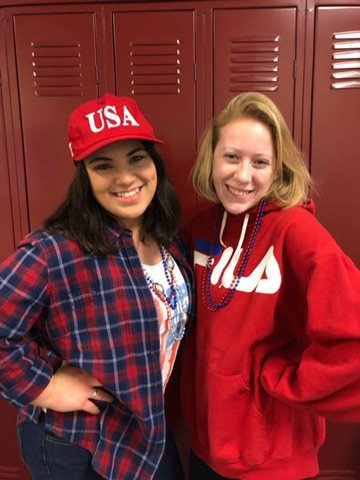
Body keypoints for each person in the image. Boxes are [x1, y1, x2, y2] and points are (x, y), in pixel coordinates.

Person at [0, 94, 194, 480]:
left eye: (136, 158)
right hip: (74, 440)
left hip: (143, 426)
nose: (125, 178)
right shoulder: (52, 251)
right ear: (85, 177)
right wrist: (47, 387)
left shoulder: (168, 238)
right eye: (103, 165)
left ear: (153, 163)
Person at [180, 91, 360, 480]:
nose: (243, 176)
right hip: (206, 447)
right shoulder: (200, 227)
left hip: (272, 459)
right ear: (211, 158)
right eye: (231, 157)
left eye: (259, 162)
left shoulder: (296, 231)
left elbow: (353, 337)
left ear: (277, 169)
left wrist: (286, 381)